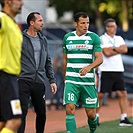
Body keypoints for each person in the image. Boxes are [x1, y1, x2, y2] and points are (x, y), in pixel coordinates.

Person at [63, 12, 103, 133]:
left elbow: (100, 58)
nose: (86, 26)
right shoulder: (67, 38)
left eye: (87, 23)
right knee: (69, 108)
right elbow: (65, 59)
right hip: (71, 80)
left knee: (91, 114)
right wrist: (66, 77)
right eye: (82, 23)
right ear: (75, 23)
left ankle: (92, 130)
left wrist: (89, 67)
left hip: (88, 82)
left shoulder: (94, 37)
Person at [17, 12, 57, 133]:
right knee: (22, 112)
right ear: (32, 23)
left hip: (39, 81)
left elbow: (48, 61)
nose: (42, 23)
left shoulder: (43, 40)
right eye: (39, 20)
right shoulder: (20, 38)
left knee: (41, 112)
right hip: (22, 80)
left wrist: (52, 80)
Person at [96, 18, 133, 126]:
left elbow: (125, 49)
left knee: (123, 93)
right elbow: (106, 53)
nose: (115, 28)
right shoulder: (101, 38)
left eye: (115, 26)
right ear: (107, 27)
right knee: (101, 95)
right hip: (106, 70)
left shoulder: (119, 38)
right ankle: (95, 117)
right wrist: (117, 49)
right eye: (112, 26)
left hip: (118, 69)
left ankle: (123, 118)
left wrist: (113, 49)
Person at [0, 0, 24, 133]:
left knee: (3, 121)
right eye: (19, 0)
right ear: (8, 1)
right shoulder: (2, 18)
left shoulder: (13, 24)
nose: (22, 3)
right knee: (14, 120)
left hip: (10, 78)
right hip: (5, 77)